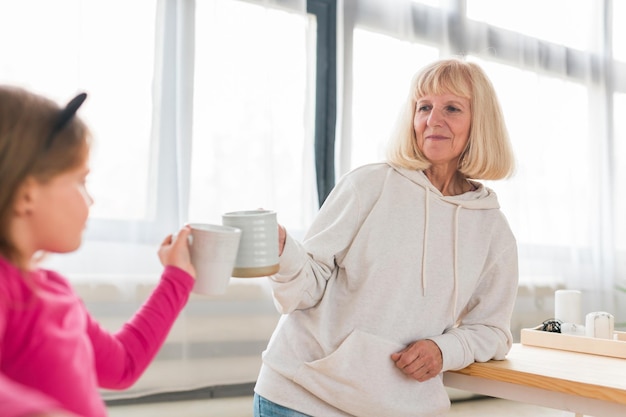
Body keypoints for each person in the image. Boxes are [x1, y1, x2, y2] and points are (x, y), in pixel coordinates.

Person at [253, 58, 519, 417]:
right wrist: (285, 255)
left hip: (401, 407)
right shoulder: (368, 185)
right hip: (301, 397)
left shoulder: (492, 230)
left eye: (452, 108)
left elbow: (493, 331)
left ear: (480, 123)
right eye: (423, 107)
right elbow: (306, 288)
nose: (432, 120)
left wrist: (445, 350)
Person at [0, 85, 197, 417]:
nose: (90, 200)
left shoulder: (54, 290)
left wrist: (177, 277)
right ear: (26, 193)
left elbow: (123, 365)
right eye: (80, 181)